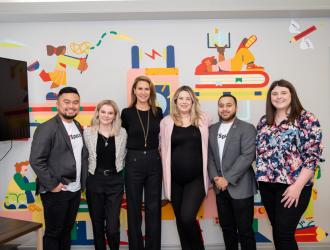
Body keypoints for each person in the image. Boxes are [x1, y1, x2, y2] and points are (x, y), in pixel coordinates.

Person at [256, 79, 323, 250]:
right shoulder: (264, 121)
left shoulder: (306, 119)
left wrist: (297, 187)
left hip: (294, 186)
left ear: (291, 95)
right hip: (267, 186)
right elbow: (258, 152)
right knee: (278, 232)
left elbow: (312, 157)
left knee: (284, 234)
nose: (279, 97)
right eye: (275, 93)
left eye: (283, 93)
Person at [30, 86, 89, 250]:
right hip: (56, 191)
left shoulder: (76, 125)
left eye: (75, 102)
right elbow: (36, 160)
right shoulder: (47, 128)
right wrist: (53, 185)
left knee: (66, 232)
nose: (71, 106)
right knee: (54, 233)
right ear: (58, 104)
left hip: (75, 190)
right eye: (67, 102)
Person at [160, 85, 211, 250]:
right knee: (181, 222)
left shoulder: (204, 119)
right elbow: (162, 149)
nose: (184, 101)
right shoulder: (166, 122)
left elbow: (212, 147)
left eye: (188, 98)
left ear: (193, 101)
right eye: (181, 98)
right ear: (175, 101)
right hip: (174, 181)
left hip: (196, 179)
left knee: (187, 217)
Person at [208, 94, 257, 250]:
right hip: (220, 188)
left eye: (229, 105)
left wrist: (227, 179)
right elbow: (209, 156)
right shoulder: (212, 129)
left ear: (236, 107)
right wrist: (216, 178)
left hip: (241, 188)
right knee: (227, 229)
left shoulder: (247, 128)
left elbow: (247, 156)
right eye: (221, 105)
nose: (224, 109)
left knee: (245, 231)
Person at [121, 75, 163, 250]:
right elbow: (120, 137)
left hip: (154, 161)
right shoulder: (126, 113)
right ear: (134, 91)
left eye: (147, 89)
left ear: (151, 92)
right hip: (133, 161)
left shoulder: (158, 112)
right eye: (140, 88)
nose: (143, 92)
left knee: (154, 208)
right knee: (134, 208)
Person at [83, 100, 127, 250]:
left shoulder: (122, 133)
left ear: (115, 116)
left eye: (110, 113)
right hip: (94, 181)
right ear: (98, 113)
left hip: (115, 182)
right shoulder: (88, 132)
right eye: (103, 112)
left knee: (113, 227)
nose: (106, 116)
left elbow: (125, 155)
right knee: (97, 224)